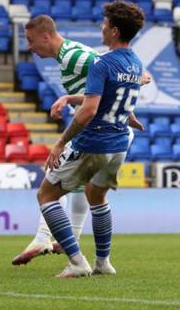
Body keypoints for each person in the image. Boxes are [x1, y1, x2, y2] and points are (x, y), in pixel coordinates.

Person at [12, 14, 149, 266]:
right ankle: (94, 257)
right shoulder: (69, 55)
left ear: (45, 36)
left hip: (100, 132)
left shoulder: (73, 56)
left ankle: (57, 245)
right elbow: (112, 78)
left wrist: (133, 92)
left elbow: (112, 71)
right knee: (90, 192)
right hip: (113, 131)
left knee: (51, 184)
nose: (29, 47)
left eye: (31, 41)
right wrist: (69, 99)